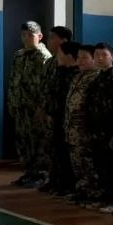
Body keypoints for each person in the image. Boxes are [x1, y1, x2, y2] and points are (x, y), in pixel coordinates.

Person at [8, 20, 53, 187]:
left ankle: (41, 174)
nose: (26, 38)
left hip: (36, 109)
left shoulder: (44, 57)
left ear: (39, 36)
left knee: (39, 141)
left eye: (30, 35)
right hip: (20, 106)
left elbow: (46, 85)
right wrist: (11, 102)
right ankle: (29, 172)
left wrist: (42, 107)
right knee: (23, 141)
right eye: (23, 35)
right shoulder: (19, 55)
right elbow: (13, 80)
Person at [86, 43, 113, 212]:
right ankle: (104, 198)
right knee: (100, 166)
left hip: (111, 132)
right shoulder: (96, 78)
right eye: (96, 55)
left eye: (104, 54)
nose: (100, 58)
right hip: (97, 131)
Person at [43, 36, 79, 196]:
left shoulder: (75, 75)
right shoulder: (60, 72)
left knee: (66, 153)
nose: (57, 57)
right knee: (56, 151)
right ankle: (56, 181)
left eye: (60, 54)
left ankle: (67, 185)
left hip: (68, 120)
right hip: (57, 117)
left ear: (69, 56)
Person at [65, 45, 100, 205]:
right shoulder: (78, 76)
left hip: (86, 128)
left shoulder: (96, 77)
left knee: (89, 162)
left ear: (94, 58)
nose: (80, 61)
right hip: (73, 128)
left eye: (84, 57)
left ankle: (93, 192)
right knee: (77, 161)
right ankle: (82, 190)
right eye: (78, 57)